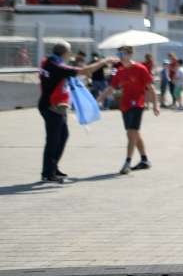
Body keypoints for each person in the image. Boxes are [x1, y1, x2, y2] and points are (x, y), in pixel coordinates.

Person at [37, 42, 112, 183]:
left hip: (57, 106)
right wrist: (104, 61)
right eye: (69, 52)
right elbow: (85, 71)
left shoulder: (48, 62)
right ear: (65, 53)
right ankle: (47, 173)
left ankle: (53, 167)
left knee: (63, 136)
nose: (70, 54)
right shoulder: (58, 67)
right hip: (52, 107)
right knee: (53, 140)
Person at [99, 46, 160, 174]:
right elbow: (111, 88)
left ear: (130, 54)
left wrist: (155, 104)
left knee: (132, 133)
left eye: (122, 53)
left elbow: (151, 88)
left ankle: (127, 162)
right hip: (125, 105)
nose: (120, 56)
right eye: (119, 53)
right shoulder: (118, 70)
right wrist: (98, 100)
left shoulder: (140, 69)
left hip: (137, 104)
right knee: (133, 134)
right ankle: (144, 160)